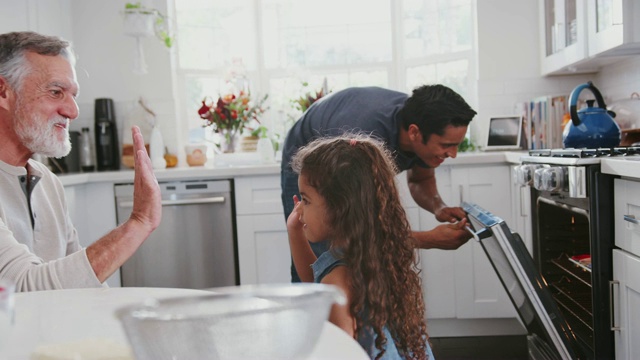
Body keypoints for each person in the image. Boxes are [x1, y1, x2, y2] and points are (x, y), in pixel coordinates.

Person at [0, 31, 161, 291]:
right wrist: (139, 222)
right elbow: (21, 288)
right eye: (55, 92)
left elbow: (84, 288)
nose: (72, 111)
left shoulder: (48, 183)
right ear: (2, 91)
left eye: (73, 95)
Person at [281, 85, 477, 282]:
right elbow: (358, 228)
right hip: (307, 154)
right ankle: (314, 307)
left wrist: (439, 207)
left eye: (456, 145)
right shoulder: (363, 137)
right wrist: (429, 239)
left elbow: (421, 179)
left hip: (346, 156)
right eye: (446, 146)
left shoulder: (424, 122)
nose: (453, 154)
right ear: (414, 133)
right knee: (323, 260)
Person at [287, 135, 434, 360]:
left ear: (339, 207)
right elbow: (315, 282)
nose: (300, 210)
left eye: (305, 201)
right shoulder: (370, 253)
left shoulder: (337, 278)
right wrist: (295, 231)